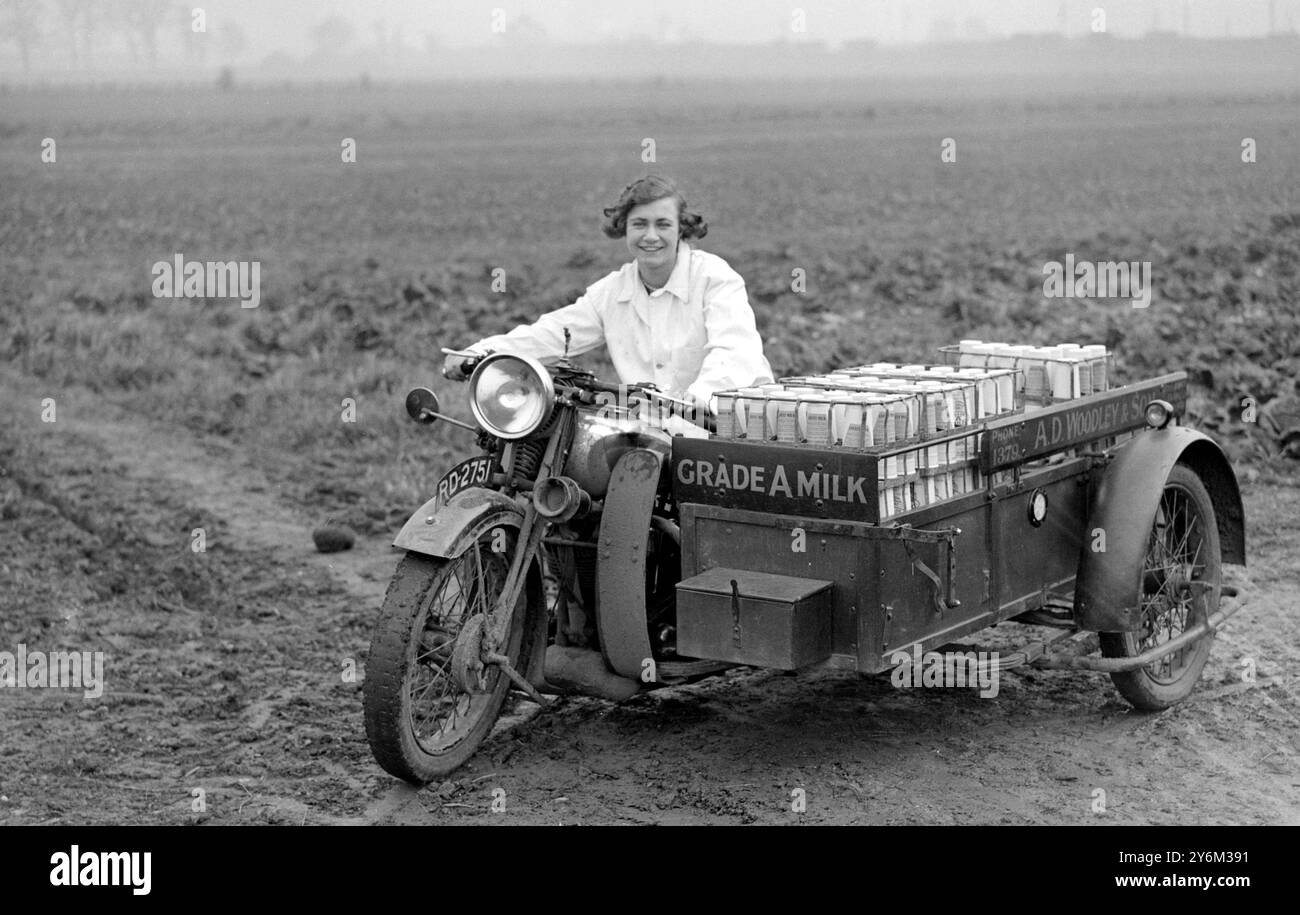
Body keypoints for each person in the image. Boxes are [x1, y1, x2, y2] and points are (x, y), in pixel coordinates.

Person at [442, 175, 773, 430]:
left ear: (682, 229)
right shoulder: (611, 292)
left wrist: (695, 400)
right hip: (655, 435)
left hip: (731, 432)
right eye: (639, 224)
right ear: (624, 229)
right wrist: (478, 354)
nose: (651, 236)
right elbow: (553, 333)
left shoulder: (715, 278)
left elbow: (733, 352)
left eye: (663, 224)